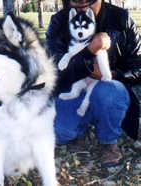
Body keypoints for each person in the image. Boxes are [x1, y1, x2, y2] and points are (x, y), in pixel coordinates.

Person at [46, 0, 141, 168]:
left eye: (90, 1)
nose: (83, 6)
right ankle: (80, 130)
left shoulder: (121, 19)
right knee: (61, 132)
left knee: (107, 91)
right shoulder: (59, 21)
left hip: (110, 89)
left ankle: (108, 141)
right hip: (73, 88)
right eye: (76, 1)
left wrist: (111, 75)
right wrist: (89, 53)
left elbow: (138, 67)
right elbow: (54, 69)